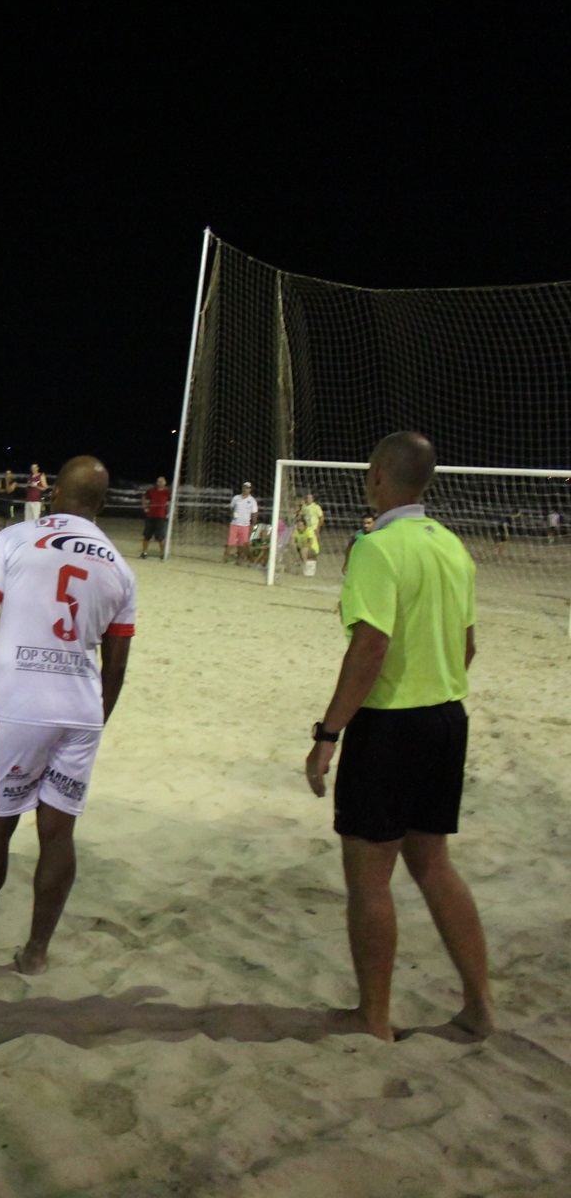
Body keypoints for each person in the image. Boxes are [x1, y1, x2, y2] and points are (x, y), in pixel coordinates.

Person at [304, 431, 493, 1042]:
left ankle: (373, 1016)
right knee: (434, 863)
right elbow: (466, 645)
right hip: (447, 718)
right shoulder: (451, 546)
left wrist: (329, 732)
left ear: (380, 475)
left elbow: (372, 645)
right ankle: (479, 1005)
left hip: (391, 725)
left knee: (369, 875)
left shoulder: (376, 547)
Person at [0, 455, 136, 975]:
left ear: (53, 494)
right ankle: (36, 954)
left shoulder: (17, 539)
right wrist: (96, 720)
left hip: (22, 704)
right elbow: (116, 662)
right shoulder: (120, 565)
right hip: (81, 710)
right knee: (58, 837)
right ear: (103, 504)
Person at [225, 481, 259, 565]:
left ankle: (239, 559)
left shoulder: (252, 501)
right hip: (235, 523)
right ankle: (225, 558)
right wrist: (233, 514)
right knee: (230, 542)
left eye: (247, 488)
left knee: (242, 544)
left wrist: (253, 525)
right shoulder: (236, 498)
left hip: (245, 525)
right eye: (244, 487)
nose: (245, 489)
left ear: (250, 489)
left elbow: (254, 513)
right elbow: (231, 507)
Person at [140, 475, 171, 559]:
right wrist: (145, 507)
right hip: (151, 516)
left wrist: (170, 512)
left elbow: (172, 501)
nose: (160, 483)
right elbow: (144, 497)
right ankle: (144, 553)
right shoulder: (151, 491)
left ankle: (162, 554)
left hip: (161, 517)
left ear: (165, 482)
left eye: (162, 481)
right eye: (158, 481)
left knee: (161, 537)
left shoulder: (167, 492)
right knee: (147, 536)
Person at [295, 491, 324, 574]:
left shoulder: (316, 507)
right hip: (304, 530)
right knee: (301, 546)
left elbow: (321, 518)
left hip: (313, 529)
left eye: (310, 498)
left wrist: (318, 529)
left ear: (313, 499)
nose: (308, 499)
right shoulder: (304, 507)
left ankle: (310, 564)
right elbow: (300, 516)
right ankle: (302, 562)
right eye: (307, 498)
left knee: (312, 546)